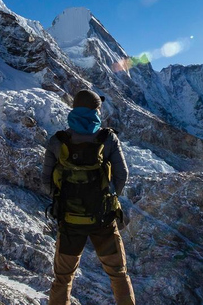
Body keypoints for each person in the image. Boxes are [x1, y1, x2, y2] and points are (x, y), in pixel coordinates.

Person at [43, 89, 135, 305]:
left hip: (70, 221)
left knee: (63, 278)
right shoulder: (108, 138)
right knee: (118, 273)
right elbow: (122, 175)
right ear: (96, 111)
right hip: (103, 220)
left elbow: (46, 180)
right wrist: (108, 198)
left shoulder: (58, 141)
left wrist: (65, 200)